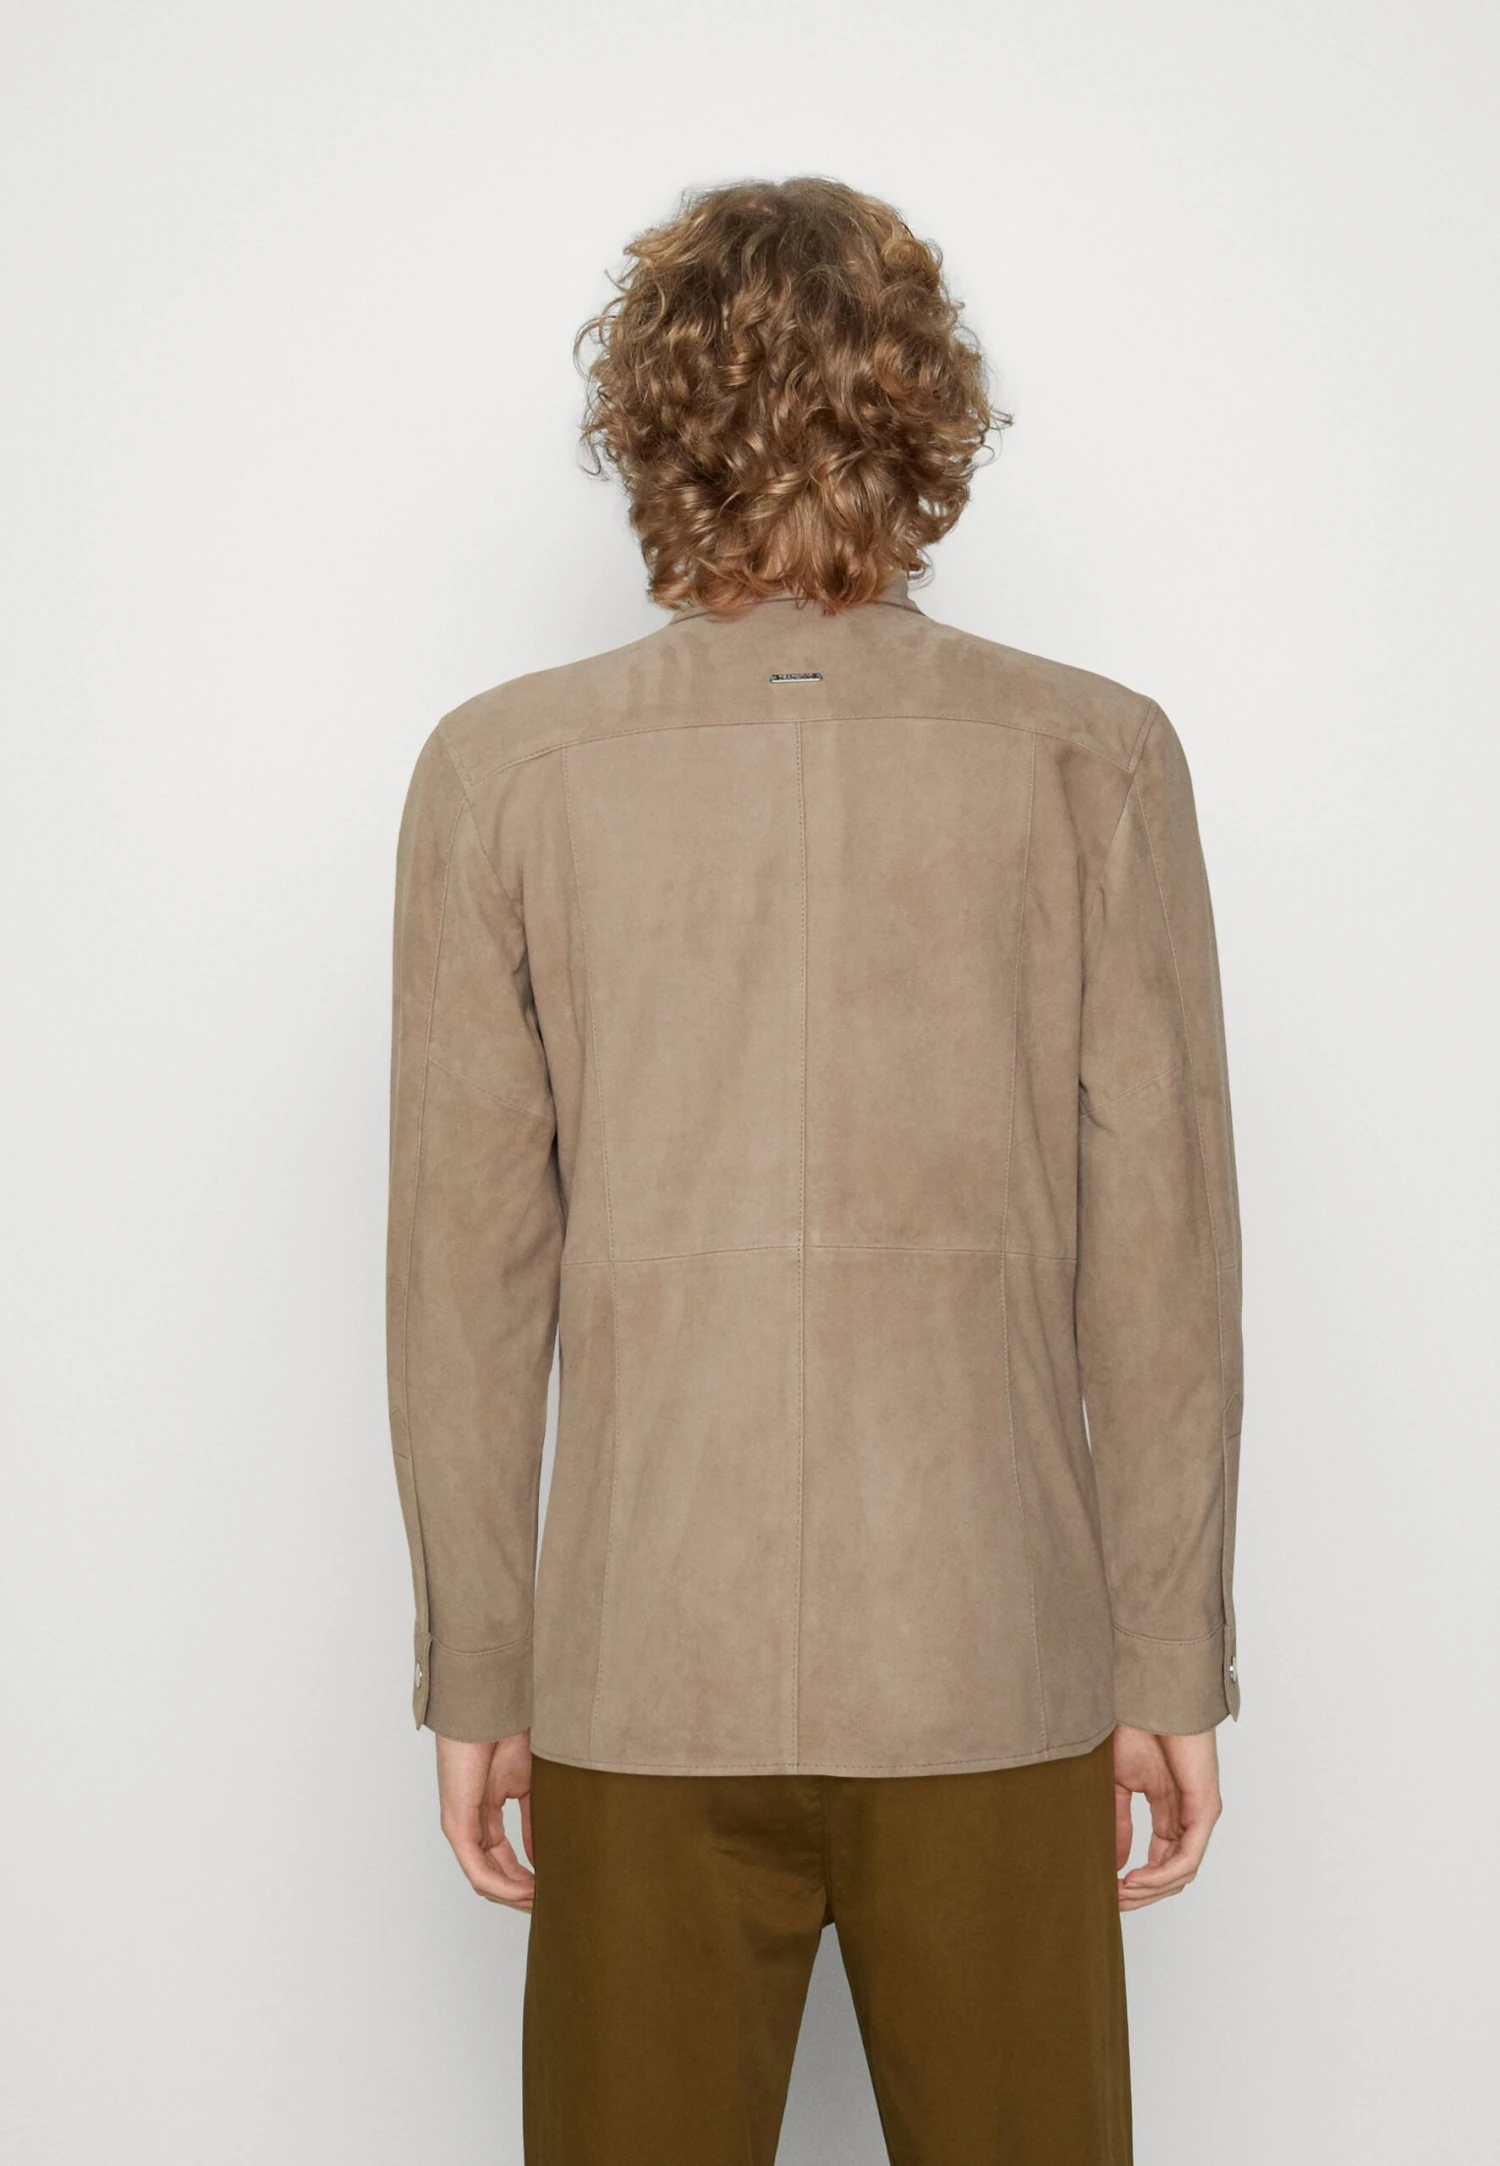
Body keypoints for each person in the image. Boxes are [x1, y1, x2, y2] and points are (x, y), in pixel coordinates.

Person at [385, 176, 1243, 2166]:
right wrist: (1168, 1652)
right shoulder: (1092, 758)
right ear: (925, 409)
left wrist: (481, 1670)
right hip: (996, 1658)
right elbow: (1163, 1257)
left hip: (639, 1672)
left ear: (651, 418)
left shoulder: (502, 772)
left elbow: (463, 1284)